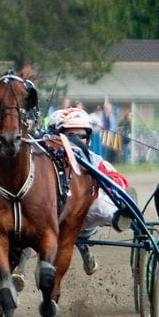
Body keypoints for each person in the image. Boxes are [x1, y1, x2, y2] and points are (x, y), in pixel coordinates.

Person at [51, 106, 132, 274]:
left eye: (81, 136)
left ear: (88, 138)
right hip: (52, 216)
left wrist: (106, 183)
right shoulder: (47, 163)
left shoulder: (94, 160)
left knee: (101, 203)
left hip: (85, 215)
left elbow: (120, 180)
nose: (77, 140)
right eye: (70, 135)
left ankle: (120, 216)